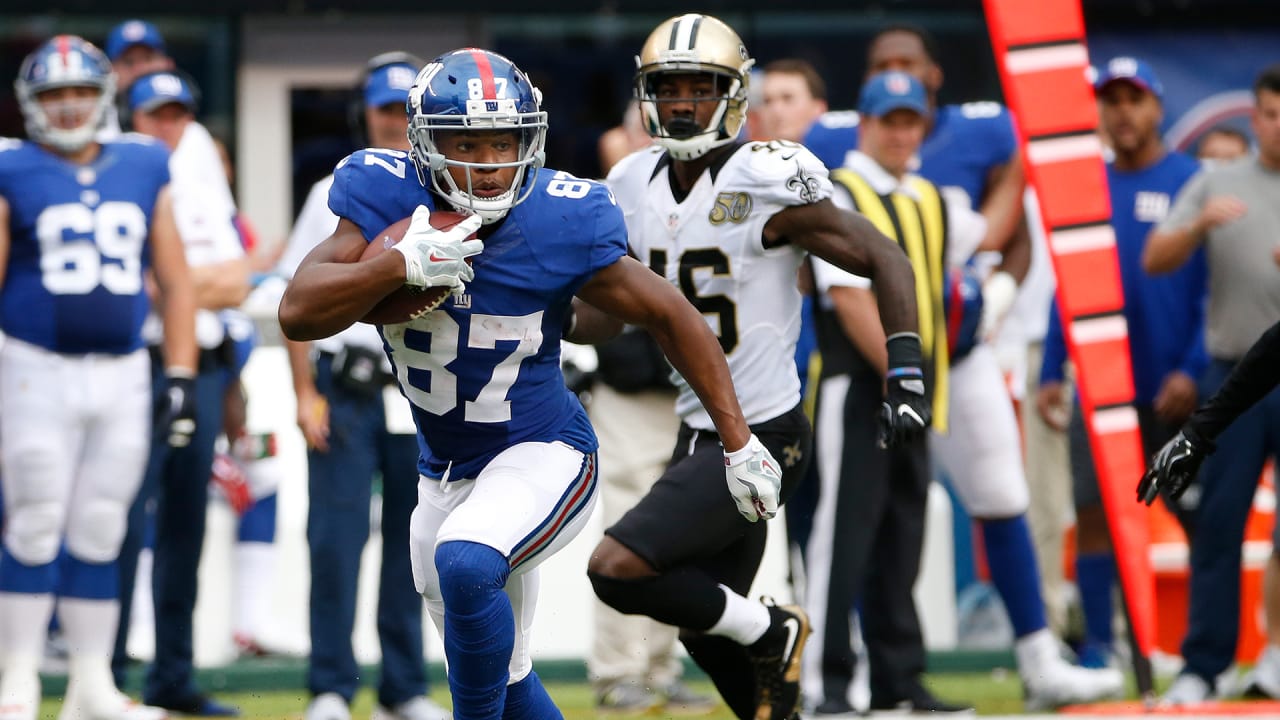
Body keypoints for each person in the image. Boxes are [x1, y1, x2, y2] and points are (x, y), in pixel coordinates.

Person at [277, 45, 819, 720]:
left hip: (545, 451)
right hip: (444, 469)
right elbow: (298, 310)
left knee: (468, 562)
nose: (486, 164)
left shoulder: (561, 213)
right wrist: (395, 268)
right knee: (505, 677)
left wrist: (738, 443)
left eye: (503, 143)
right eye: (465, 144)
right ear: (423, 145)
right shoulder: (384, 195)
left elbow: (669, 314)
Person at [591, 15, 929, 720]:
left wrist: (904, 371)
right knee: (706, 633)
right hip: (699, 430)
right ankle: (775, 680)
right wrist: (551, 328)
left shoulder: (766, 177)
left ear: (733, 96)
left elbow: (885, 258)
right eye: (669, 88)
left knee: (618, 569)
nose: (682, 103)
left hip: (763, 434)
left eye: (699, 88)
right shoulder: (628, 180)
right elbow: (616, 311)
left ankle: (777, 628)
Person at [0, 35, 196, 720]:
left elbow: (175, 279)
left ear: (103, 95)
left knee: (104, 524)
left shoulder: (144, 163)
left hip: (121, 371)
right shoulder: (12, 167)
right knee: (34, 519)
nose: (69, 105)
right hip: (32, 366)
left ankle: (91, 686)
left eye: (80, 90)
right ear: (30, 104)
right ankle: (16, 681)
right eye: (55, 94)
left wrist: (180, 371)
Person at [276, 52, 450, 720]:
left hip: (420, 385)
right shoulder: (338, 184)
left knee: (417, 542)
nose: (391, 122)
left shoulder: (450, 186)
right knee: (335, 539)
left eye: (401, 110)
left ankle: (403, 687)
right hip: (345, 385)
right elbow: (297, 302)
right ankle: (330, 685)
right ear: (364, 114)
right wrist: (302, 393)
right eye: (382, 109)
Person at [802, 70, 979, 717]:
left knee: (902, 534)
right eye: (891, 120)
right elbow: (847, 298)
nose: (903, 133)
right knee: (842, 538)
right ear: (866, 124)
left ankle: (898, 679)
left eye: (913, 121)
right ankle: (826, 683)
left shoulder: (928, 197)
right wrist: (903, 376)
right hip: (859, 385)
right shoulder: (836, 191)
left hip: (913, 389)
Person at [1037, 57, 1205, 669]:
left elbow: (1213, 286)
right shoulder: (1088, 186)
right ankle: (1104, 651)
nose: (1123, 112)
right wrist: (1052, 368)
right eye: (1111, 100)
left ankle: (1197, 655)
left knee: (1199, 518)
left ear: (1158, 108)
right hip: (1104, 386)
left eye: (1134, 99)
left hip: (1179, 386)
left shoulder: (1194, 180)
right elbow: (1069, 281)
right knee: (1093, 512)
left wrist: (1193, 367)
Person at [1143, 63, 1280, 706]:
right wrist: (1199, 225)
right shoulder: (1217, 180)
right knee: (1218, 521)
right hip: (1236, 372)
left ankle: (1275, 653)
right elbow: (1155, 258)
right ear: (1254, 117)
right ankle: (1205, 663)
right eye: (1271, 113)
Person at [115, 68, 251, 717]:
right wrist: (196, 281)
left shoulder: (198, 174)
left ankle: (171, 677)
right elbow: (130, 285)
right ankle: (106, 674)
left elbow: (239, 280)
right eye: (153, 114)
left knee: (184, 528)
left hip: (203, 363)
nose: (167, 125)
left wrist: (176, 280)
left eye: (176, 113)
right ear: (131, 118)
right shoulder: (118, 169)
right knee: (114, 522)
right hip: (132, 362)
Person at [586, 112, 713, 715]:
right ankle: (618, 672)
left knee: (677, 537)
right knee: (628, 526)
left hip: (688, 394)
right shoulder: (613, 194)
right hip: (631, 385)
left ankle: (660, 667)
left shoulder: (707, 193)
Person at [102, 19, 175, 139]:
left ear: (167, 64)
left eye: (148, 59)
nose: (139, 69)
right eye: (128, 62)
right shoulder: (96, 126)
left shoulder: (192, 133)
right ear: (110, 70)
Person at [759, 59, 829, 144]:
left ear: (818, 109)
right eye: (767, 101)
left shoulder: (844, 154)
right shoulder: (745, 156)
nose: (776, 110)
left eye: (787, 98)